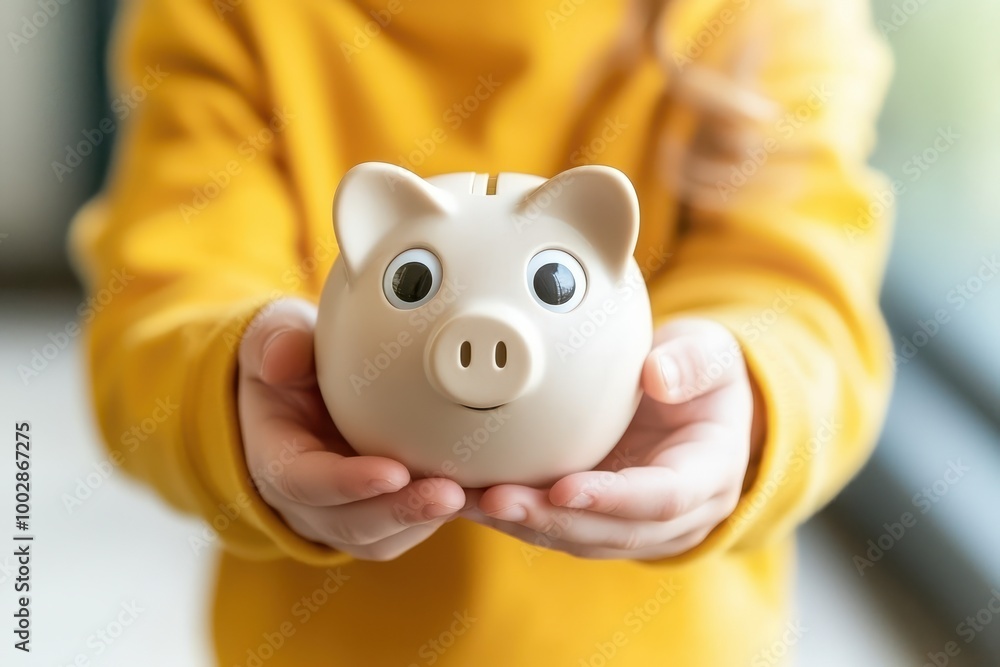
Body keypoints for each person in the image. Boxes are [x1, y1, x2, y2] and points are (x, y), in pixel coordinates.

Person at [69, 0, 894, 664]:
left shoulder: (764, 18)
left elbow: (803, 293)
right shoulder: (229, 14)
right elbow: (159, 304)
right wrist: (229, 379)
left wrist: (746, 396)